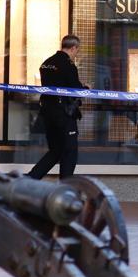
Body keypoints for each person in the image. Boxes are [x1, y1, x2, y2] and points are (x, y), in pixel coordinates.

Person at [27, 34, 87, 179]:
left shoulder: (46, 63)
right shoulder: (68, 65)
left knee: (56, 150)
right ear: (73, 48)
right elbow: (75, 89)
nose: (76, 54)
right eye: (77, 51)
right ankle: (66, 185)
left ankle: (31, 178)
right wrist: (86, 88)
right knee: (70, 151)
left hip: (47, 112)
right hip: (64, 113)